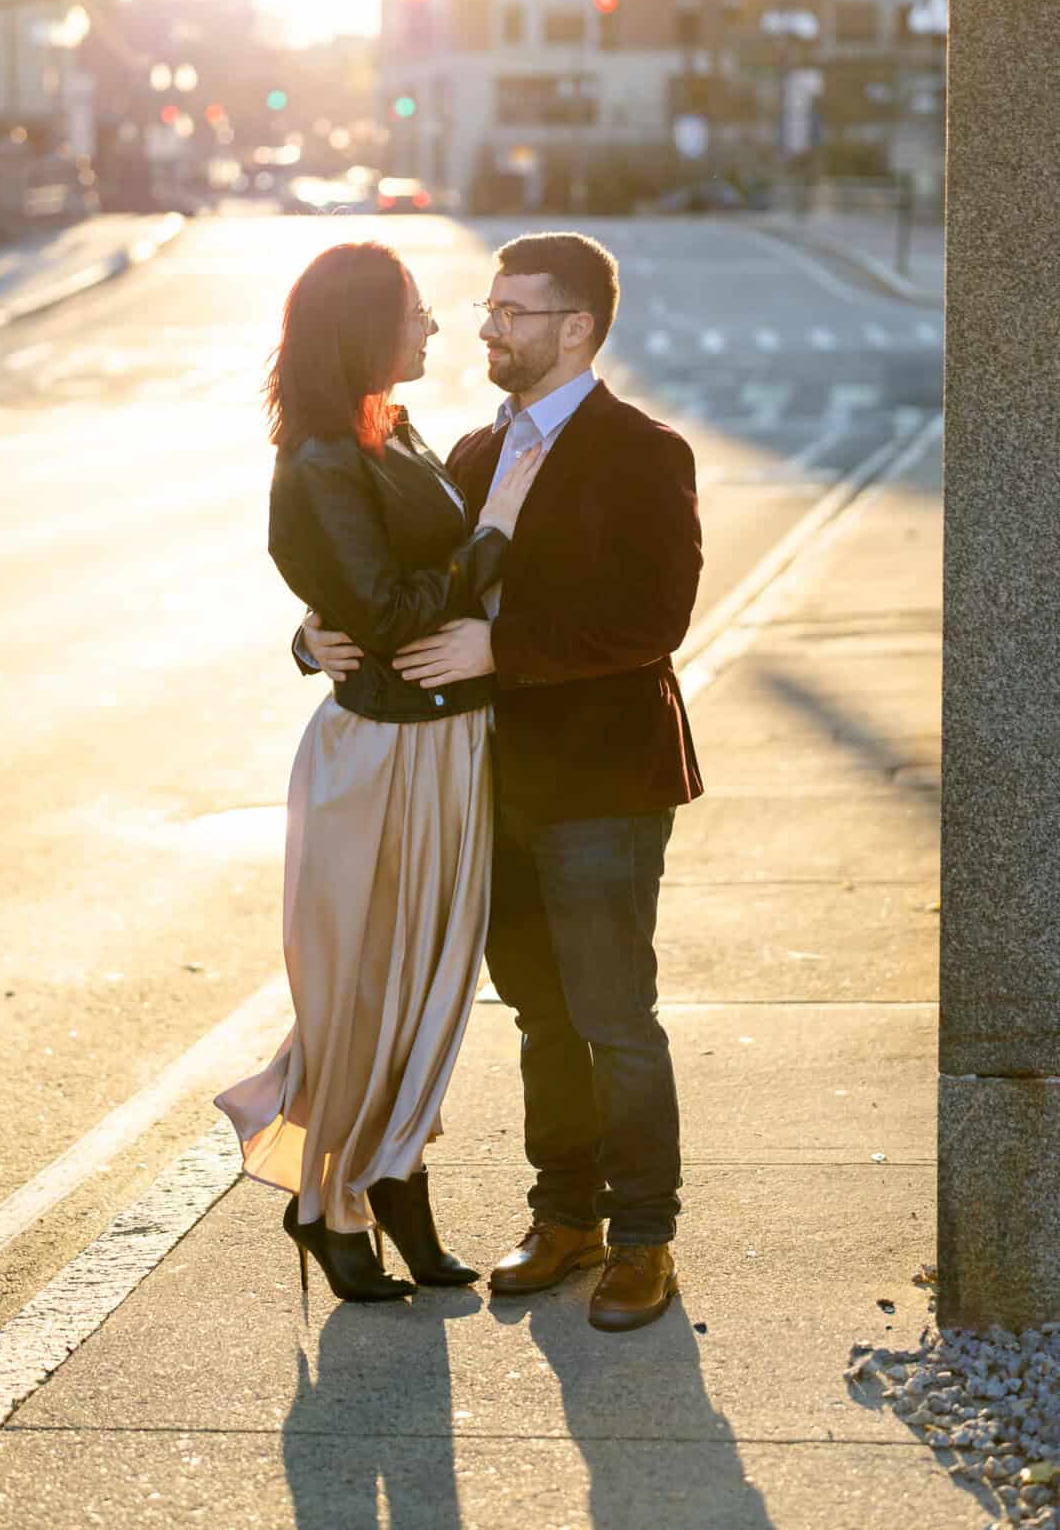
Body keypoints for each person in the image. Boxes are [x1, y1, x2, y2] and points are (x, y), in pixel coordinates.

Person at [302, 231, 703, 1333]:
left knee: (615, 1015)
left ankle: (643, 1241)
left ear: (577, 328)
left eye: (516, 312)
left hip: (603, 784)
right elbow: (397, 584)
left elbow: (652, 620)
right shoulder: (470, 451)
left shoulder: (643, 451)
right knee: (538, 1016)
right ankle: (563, 1216)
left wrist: (501, 649)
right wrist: (314, 631)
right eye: (489, 308)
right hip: (481, 785)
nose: (490, 327)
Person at [214, 241, 540, 1304]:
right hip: (384, 756)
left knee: (430, 993)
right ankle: (326, 1201)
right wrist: (491, 538)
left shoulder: (384, 425)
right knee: (368, 993)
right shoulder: (317, 458)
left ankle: (393, 1172)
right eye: (415, 310)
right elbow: (390, 615)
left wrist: (327, 628)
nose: (435, 326)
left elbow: (373, 592)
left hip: (444, 745)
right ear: (362, 326)